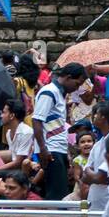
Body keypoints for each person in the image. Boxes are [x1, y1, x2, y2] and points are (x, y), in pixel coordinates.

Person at [32, 63, 87, 201]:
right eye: (77, 83)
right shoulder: (49, 92)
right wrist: (44, 149)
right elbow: (37, 120)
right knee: (57, 193)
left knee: (60, 190)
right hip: (50, 149)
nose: (77, 87)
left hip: (58, 149)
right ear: (68, 78)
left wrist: (66, 153)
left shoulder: (60, 94)